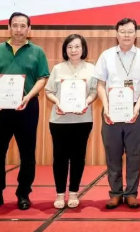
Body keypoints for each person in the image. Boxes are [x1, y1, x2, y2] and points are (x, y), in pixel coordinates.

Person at [0, 12, 50, 212]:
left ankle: (23, 193)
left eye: (23, 26)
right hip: (0, 108)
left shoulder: (37, 52)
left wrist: (29, 96)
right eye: (15, 25)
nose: (19, 29)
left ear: (29, 29)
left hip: (27, 108)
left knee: (27, 154)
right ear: (9, 27)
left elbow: (43, 78)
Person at [95, 18, 140, 209]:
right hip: (111, 109)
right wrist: (106, 107)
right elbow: (100, 84)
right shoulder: (106, 55)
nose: (126, 35)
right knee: (112, 152)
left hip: (135, 108)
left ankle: (131, 193)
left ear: (136, 34)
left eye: (130, 31)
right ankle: (115, 193)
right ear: (117, 34)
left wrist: (137, 108)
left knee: (134, 152)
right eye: (122, 31)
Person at [45, 34, 97, 209]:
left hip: (83, 120)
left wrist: (86, 102)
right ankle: (60, 193)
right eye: (70, 47)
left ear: (83, 49)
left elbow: (94, 91)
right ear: (65, 50)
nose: (73, 50)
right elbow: (49, 91)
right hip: (59, 120)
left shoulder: (91, 69)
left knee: (78, 157)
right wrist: (57, 102)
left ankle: (74, 192)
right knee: (59, 157)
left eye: (77, 46)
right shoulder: (57, 68)